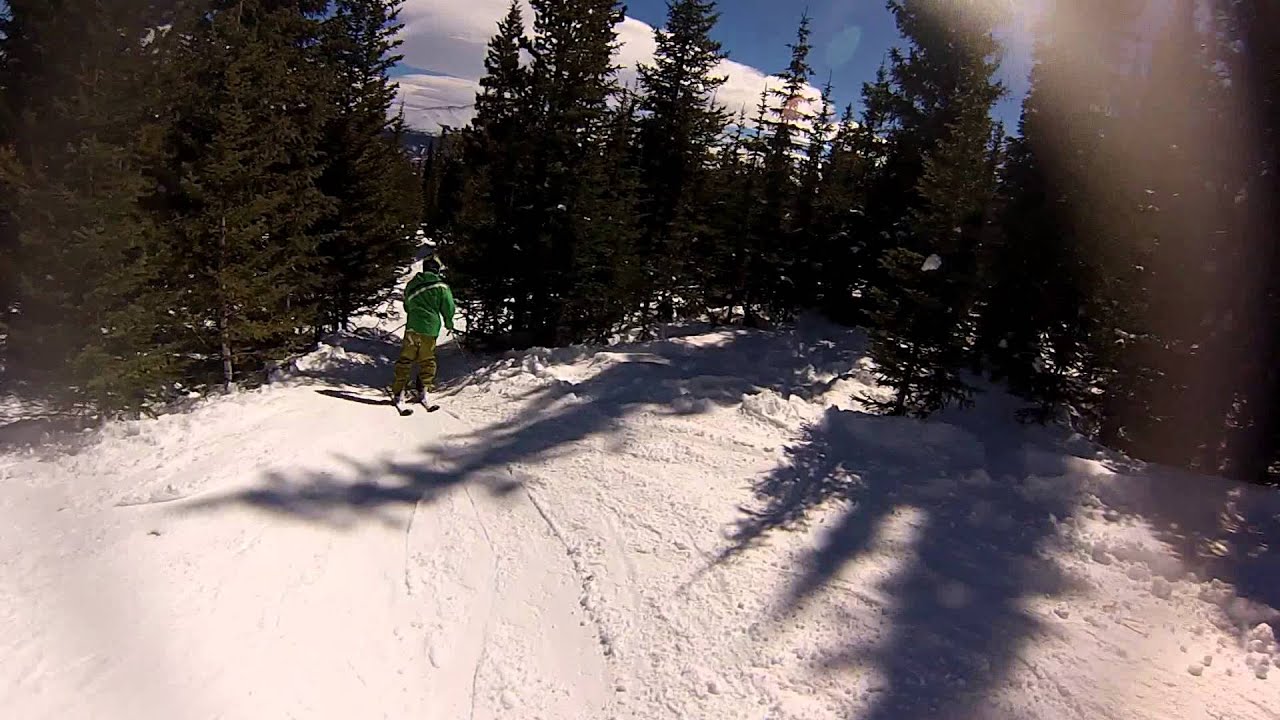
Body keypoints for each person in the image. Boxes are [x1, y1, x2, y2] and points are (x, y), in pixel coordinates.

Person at [389, 256, 456, 404]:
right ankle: (424, 388)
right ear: (437, 270)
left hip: (412, 327)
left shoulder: (412, 284)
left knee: (406, 359)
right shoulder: (442, 287)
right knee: (427, 359)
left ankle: (399, 390)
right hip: (430, 329)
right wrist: (449, 323)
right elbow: (449, 307)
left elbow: (407, 305)